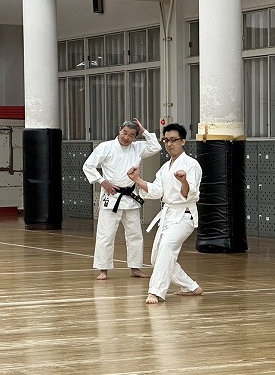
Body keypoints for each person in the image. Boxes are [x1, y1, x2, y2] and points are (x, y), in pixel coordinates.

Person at [126, 123, 203, 304]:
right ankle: (191, 287)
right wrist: (137, 179)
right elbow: (156, 191)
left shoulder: (192, 165)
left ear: (183, 141)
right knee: (156, 258)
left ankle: (156, 291)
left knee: (167, 248)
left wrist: (184, 181)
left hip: (184, 216)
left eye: (174, 140)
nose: (169, 144)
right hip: (168, 215)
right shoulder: (165, 167)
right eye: (166, 140)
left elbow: (190, 194)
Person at [83, 119, 161, 280]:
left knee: (135, 235)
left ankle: (135, 268)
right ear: (120, 130)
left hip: (130, 196)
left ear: (135, 137)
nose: (126, 137)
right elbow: (88, 165)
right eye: (124, 132)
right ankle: (103, 269)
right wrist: (102, 182)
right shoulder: (105, 147)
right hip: (111, 195)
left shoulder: (138, 148)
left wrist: (144, 131)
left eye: (131, 135)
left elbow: (156, 146)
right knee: (106, 234)